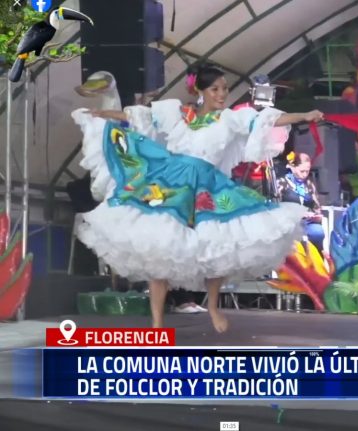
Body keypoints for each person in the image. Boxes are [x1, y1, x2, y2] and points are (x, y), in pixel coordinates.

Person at [72, 64, 324, 332]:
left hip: (208, 185)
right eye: (215, 88)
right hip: (172, 182)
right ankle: (157, 322)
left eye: (225, 88)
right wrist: (103, 113)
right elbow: (137, 117)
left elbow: (266, 120)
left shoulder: (229, 119)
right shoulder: (177, 113)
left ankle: (213, 306)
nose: (222, 93)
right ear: (201, 91)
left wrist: (304, 115)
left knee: (218, 245)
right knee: (161, 249)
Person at [276, 152, 325, 252]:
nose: (304, 175)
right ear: (292, 167)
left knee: (318, 232)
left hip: (307, 222)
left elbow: (316, 207)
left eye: (307, 172)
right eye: (302, 171)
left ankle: (317, 263)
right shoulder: (281, 183)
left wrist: (316, 216)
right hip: (289, 223)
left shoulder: (309, 185)